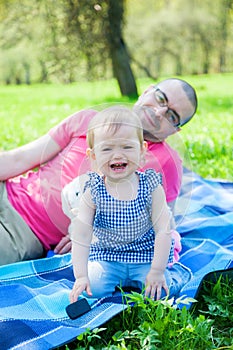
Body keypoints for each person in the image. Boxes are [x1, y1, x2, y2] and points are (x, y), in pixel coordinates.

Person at [0, 78, 197, 265]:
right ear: (147, 91)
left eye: (172, 116)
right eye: (161, 98)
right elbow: (20, 158)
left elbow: (158, 227)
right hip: (7, 191)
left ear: (175, 130)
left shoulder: (167, 164)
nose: (159, 112)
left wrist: (93, 237)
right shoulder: (88, 119)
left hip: (24, 233)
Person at [64, 106, 192, 302]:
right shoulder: (94, 189)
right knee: (92, 288)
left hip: (145, 255)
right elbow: (82, 234)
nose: (117, 155)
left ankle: (170, 274)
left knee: (161, 292)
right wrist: (81, 275)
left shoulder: (150, 186)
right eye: (107, 148)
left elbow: (162, 231)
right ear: (94, 156)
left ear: (142, 151)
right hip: (108, 256)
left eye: (127, 147)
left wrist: (157, 271)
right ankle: (108, 278)